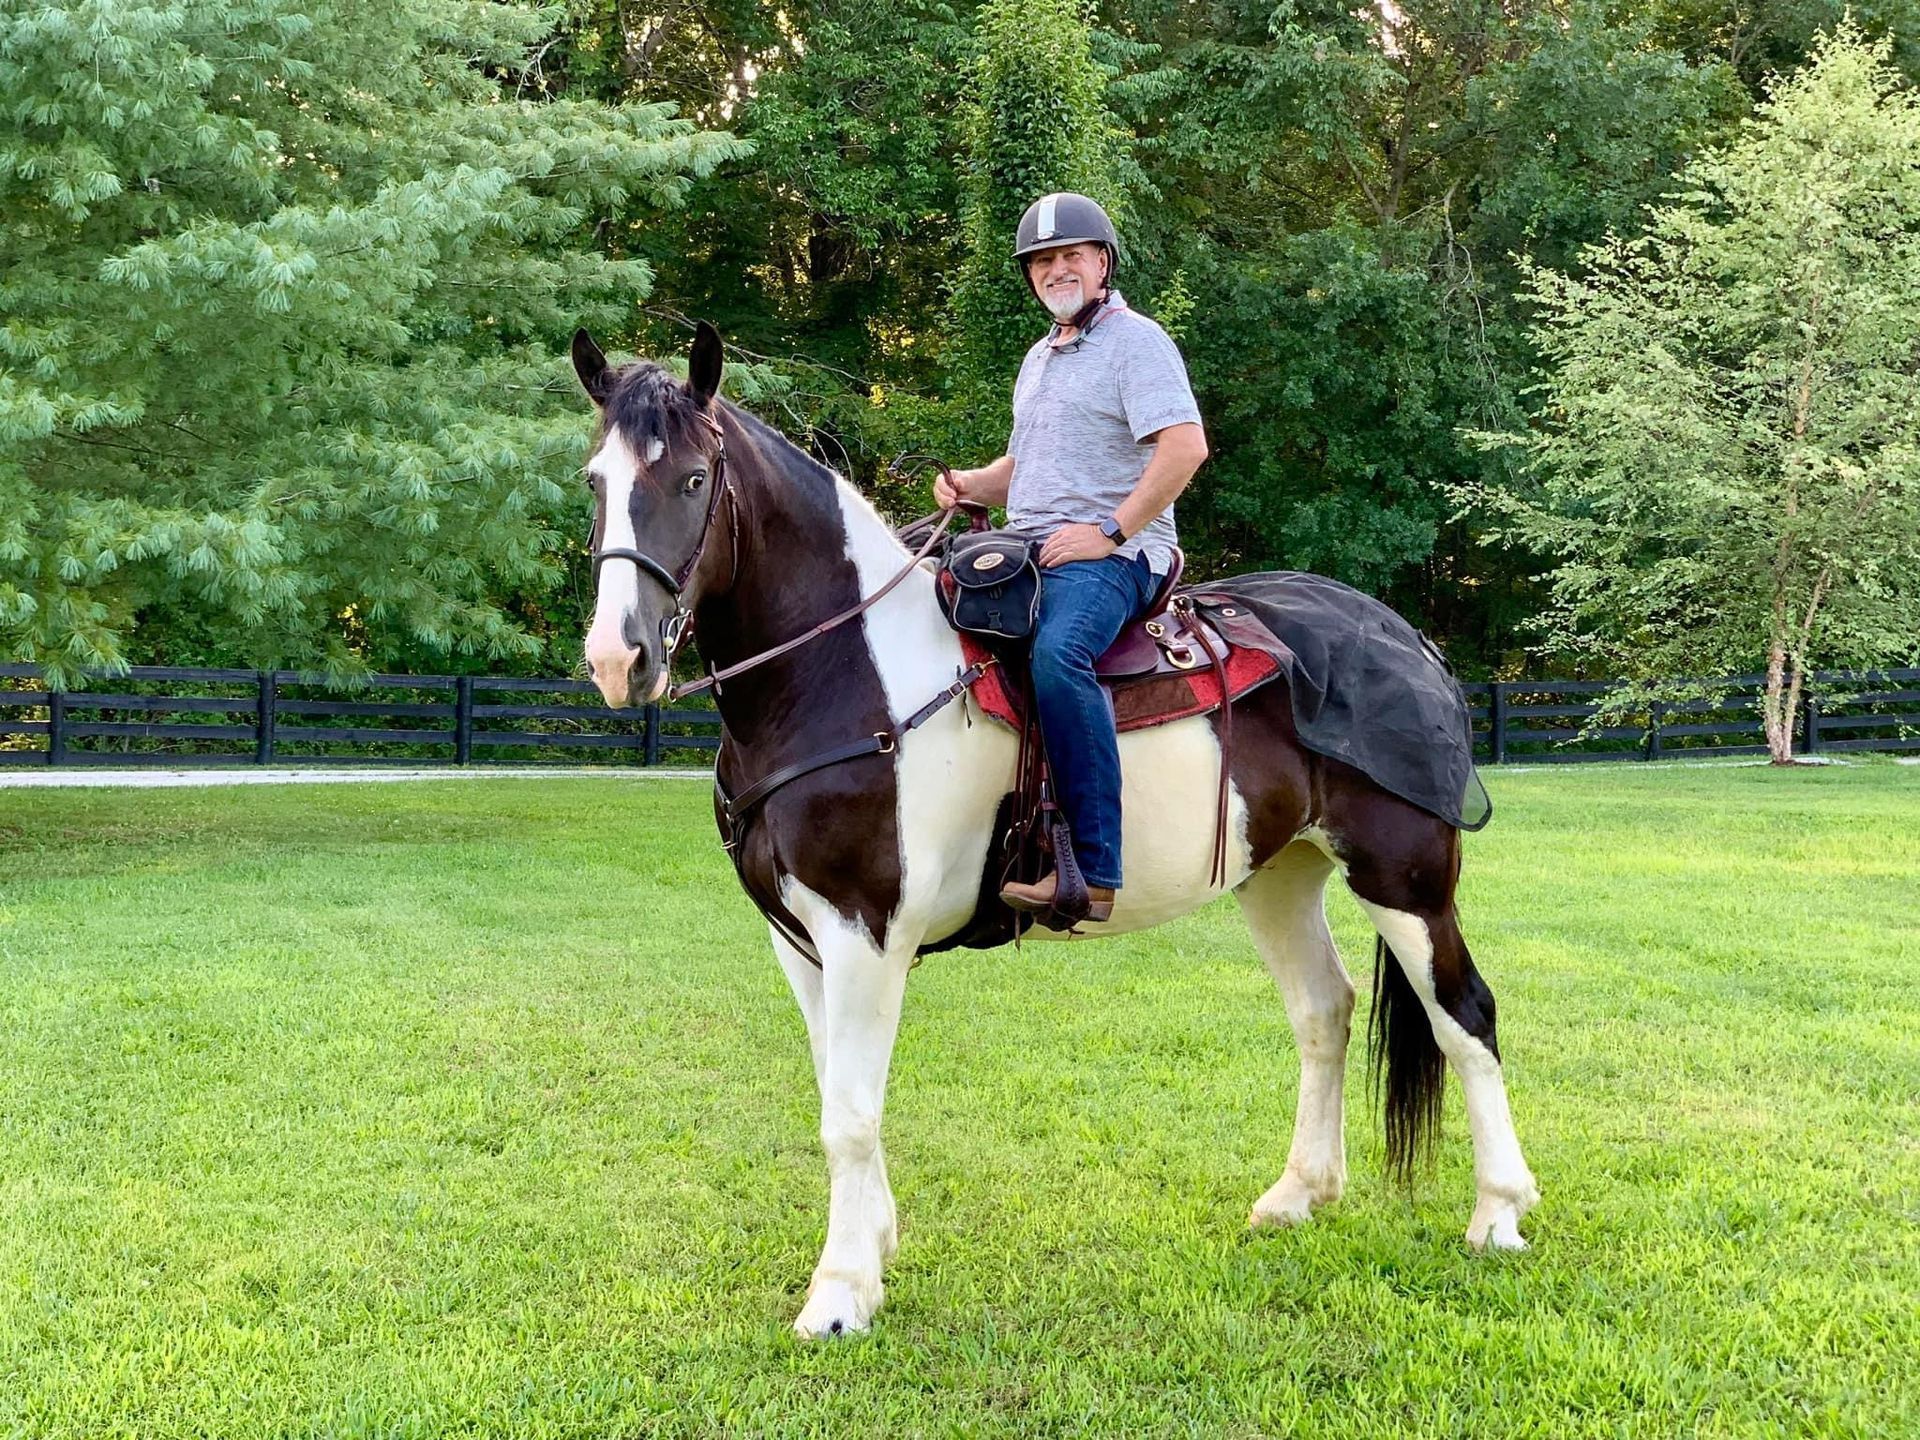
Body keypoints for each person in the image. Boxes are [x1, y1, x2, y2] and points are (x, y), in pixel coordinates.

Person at [935, 192, 1209, 924]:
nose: (1057, 270)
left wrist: (1111, 533)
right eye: (1043, 261)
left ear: (1101, 263)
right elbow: (1021, 470)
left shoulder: (1137, 341)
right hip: (1032, 549)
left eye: (1070, 256)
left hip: (1120, 556)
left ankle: (1092, 868)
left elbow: (1185, 447)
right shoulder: (1041, 356)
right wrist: (966, 484)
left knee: (1059, 654)